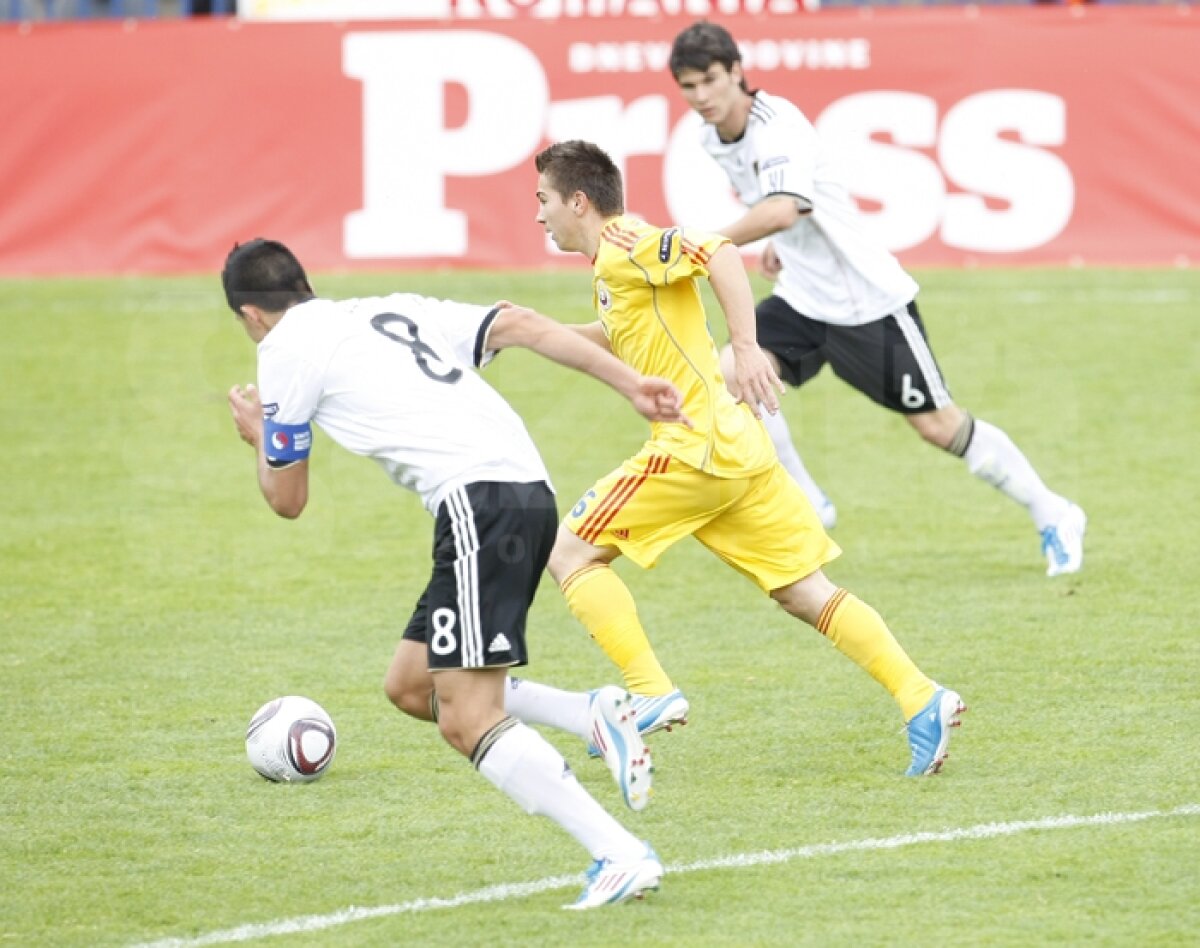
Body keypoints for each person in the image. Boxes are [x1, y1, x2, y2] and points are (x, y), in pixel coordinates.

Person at [221, 238, 677, 909]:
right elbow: (517, 322)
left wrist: (260, 436)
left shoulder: (282, 349)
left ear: (252, 315)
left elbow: (287, 500)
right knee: (410, 685)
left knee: (467, 720)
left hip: (477, 508)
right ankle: (589, 715)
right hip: (525, 494)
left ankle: (618, 853)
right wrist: (631, 382)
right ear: (305, 281)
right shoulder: (388, 311)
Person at [530, 140, 964, 777]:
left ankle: (650, 690)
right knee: (804, 592)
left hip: (693, 450)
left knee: (568, 552)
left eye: (543, 201)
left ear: (578, 200)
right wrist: (523, 333)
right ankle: (921, 696)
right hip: (736, 452)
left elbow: (720, 251)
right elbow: (615, 337)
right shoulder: (615, 266)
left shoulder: (627, 244)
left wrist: (748, 344)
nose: (537, 216)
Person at [667, 21, 1086, 577]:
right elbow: (779, 210)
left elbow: (787, 205)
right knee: (730, 377)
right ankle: (808, 502)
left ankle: (1053, 510)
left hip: (866, 303)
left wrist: (709, 243)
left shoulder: (778, 126)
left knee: (940, 427)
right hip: (802, 299)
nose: (701, 98)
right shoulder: (710, 137)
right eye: (689, 86)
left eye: (710, 81)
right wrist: (776, 245)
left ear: (737, 72)